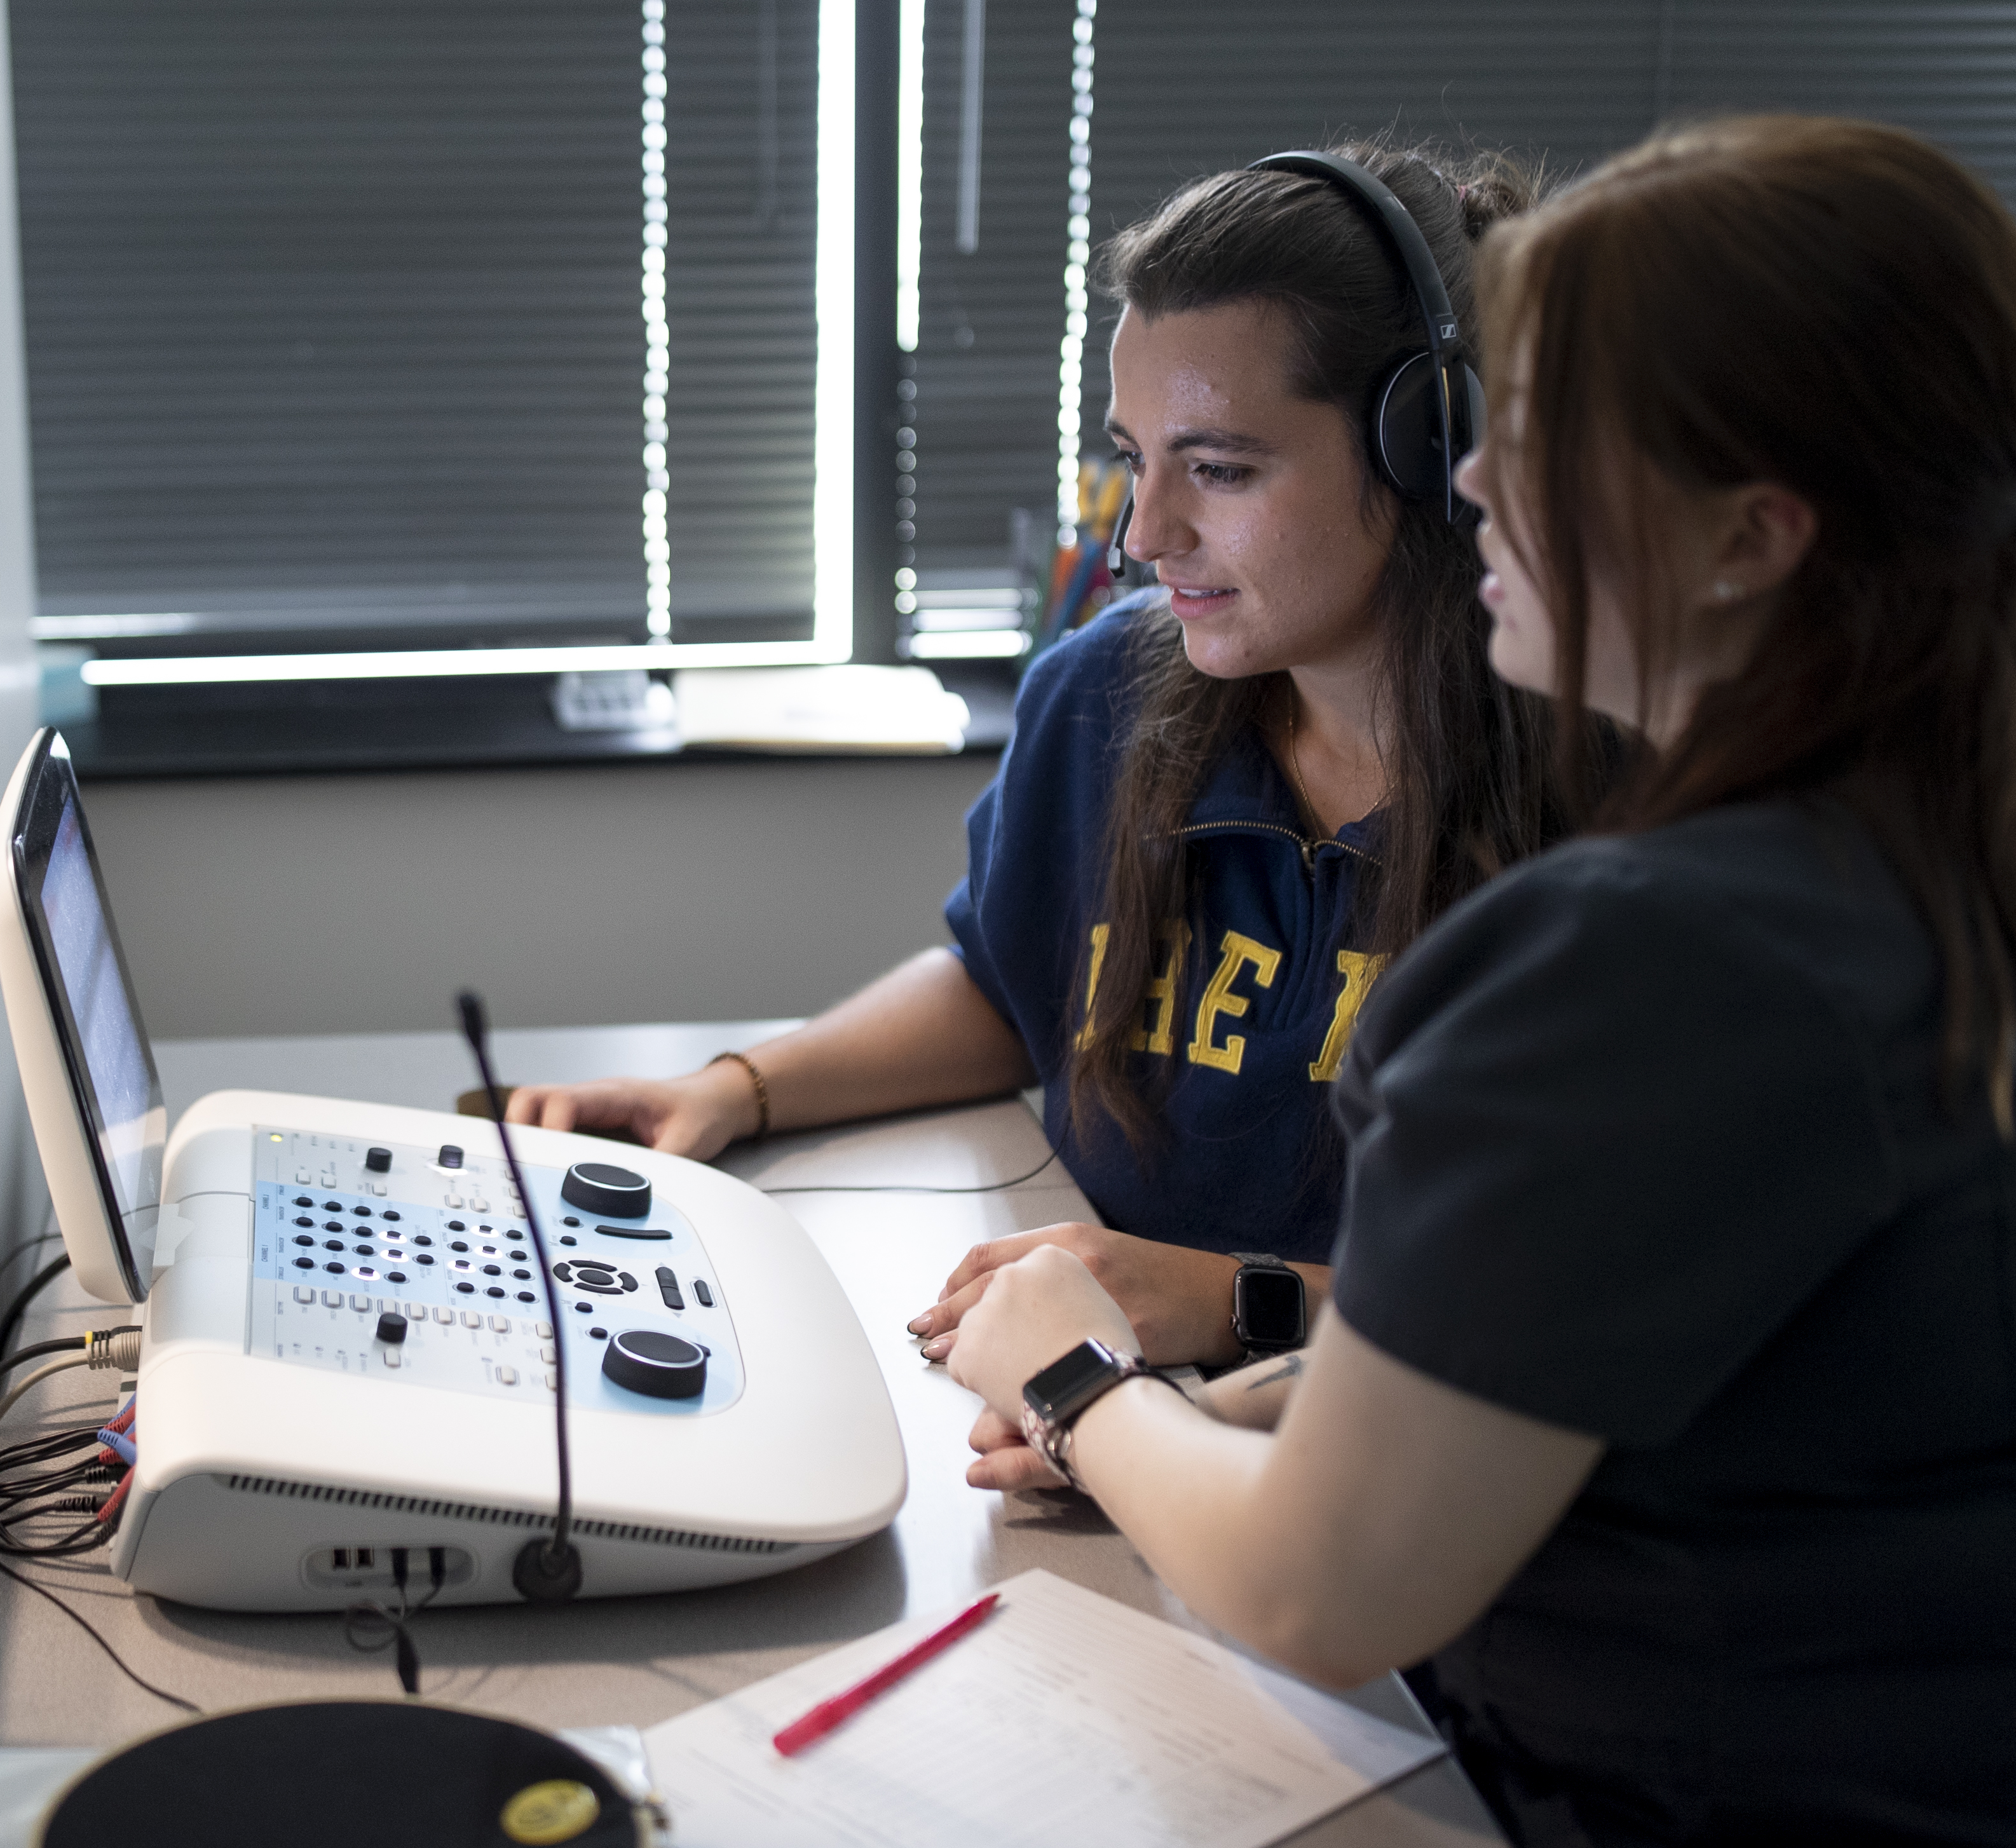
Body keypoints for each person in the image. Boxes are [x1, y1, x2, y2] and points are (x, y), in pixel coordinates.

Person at [946, 114, 2016, 1848]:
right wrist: (1249, 1411)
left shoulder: (1670, 958)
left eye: (1535, 432)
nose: (1469, 482)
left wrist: (1068, 1372)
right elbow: (1764, 1391)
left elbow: (1325, 1601)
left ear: (1752, 536)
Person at [514, 141, 1595, 1366]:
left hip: (1386, 1455)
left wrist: (1239, 1299)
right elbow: (1009, 984)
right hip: (1088, 1384)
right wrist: (730, 1088)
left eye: (1222, 468)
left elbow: (1597, 1310)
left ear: (1430, 444)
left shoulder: (1612, 806)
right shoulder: (1108, 694)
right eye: (1136, 459)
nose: (1145, 534)